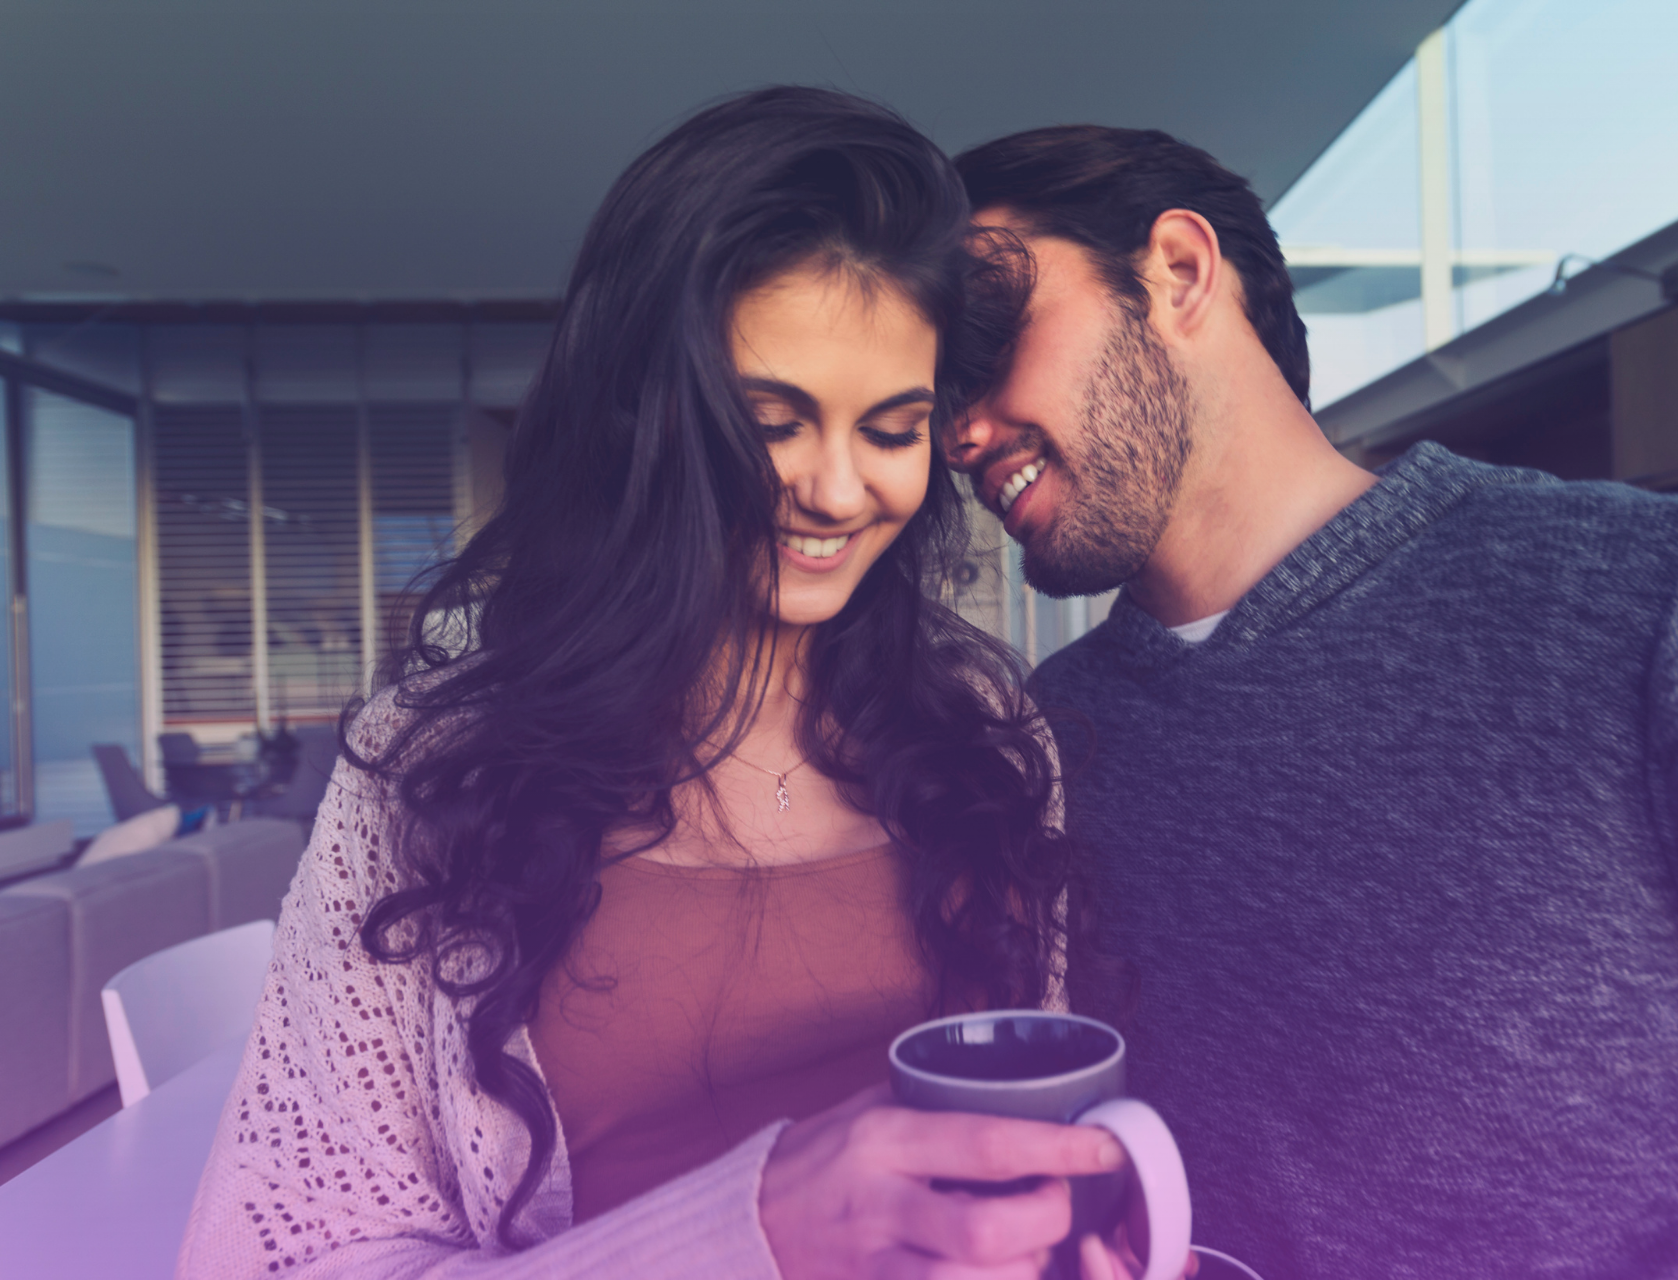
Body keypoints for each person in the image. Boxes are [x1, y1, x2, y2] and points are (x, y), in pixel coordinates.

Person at [177, 88, 1143, 1280]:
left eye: (890, 429)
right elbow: (283, 1259)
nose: (838, 492)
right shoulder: (442, 759)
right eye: (770, 422)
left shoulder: (989, 735)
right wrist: (750, 1230)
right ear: (641, 415)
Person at [943, 123, 1678, 1278]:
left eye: (986, 332)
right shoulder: (1043, 750)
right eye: (934, 388)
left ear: (1180, 270)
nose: (958, 430)